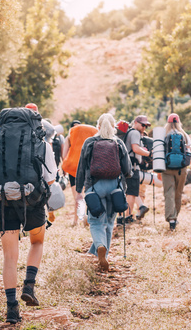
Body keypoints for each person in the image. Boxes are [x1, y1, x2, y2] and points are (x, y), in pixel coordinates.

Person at [0, 107, 57, 324]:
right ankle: (29, 285)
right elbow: (50, 178)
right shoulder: (42, 144)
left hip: (4, 200)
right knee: (37, 242)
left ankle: (11, 309)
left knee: (10, 256)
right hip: (33, 202)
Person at [75, 113, 132, 271]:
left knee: (96, 222)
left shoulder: (89, 142)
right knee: (109, 222)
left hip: (95, 187)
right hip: (115, 187)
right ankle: (103, 256)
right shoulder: (118, 142)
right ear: (113, 127)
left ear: (97, 127)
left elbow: (81, 168)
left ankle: (99, 246)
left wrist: (79, 188)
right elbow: (127, 169)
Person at [61, 121, 98, 226]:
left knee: (77, 196)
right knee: (88, 194)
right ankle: (87, 216)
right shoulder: (92, 133)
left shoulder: (69, 136)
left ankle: (76, 221)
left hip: (74, 168)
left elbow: (64, 155)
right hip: (88, 167)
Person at [162, 113, 191, 231]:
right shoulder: (184, 135)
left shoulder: (164, 134)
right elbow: (190, 152)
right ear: (179, 122)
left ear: (168, 122)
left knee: (169, 192)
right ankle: (176, 217)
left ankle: (171, 218)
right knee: (178, 193)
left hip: (167, 168)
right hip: (181, 169)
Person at [124, 115, 152, 221]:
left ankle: (126, 216)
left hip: (128, 165)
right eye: (142, 124)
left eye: (146, 126)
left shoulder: (129, 132)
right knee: (132, 192)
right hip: (133, 166)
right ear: (135, 122)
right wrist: (148, 153)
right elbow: (135, 148)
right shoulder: (135, 132)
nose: (144, 127)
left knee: (130, 192)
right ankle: (128, 217)